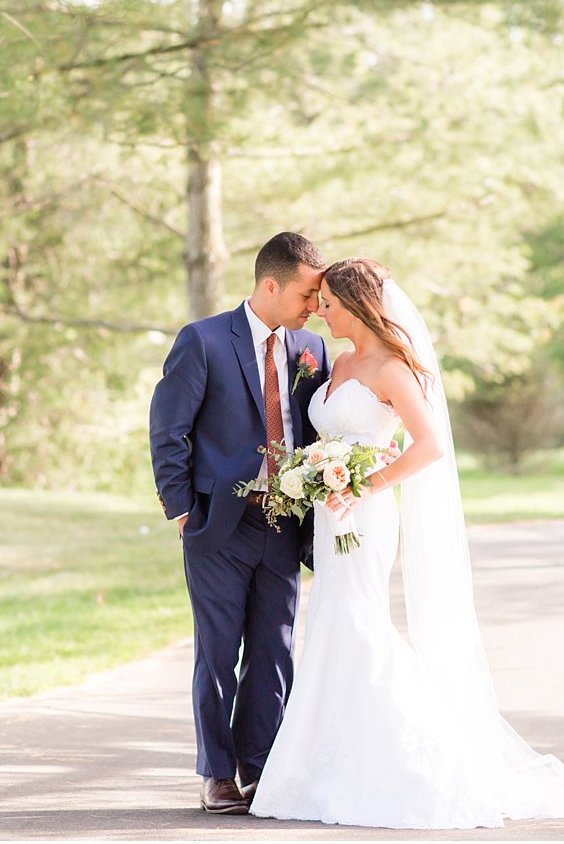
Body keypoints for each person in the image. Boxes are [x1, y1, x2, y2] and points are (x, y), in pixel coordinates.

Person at [249, 257, 564, 829]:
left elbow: (428, 446)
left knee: (357, 623)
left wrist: (361, 484)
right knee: (329, 623)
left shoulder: (393, 370)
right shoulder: (340, 362)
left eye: (327, 303)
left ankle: (419, 760)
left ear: (355, 306)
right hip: (330, 515)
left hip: (365, 516)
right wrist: (321, 475)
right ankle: (329, 765)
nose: (319, 311)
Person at [148, 232, 331, 815]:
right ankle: (217, 772)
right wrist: (181, 510)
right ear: (270, 285)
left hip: (284, 523)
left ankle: (262, 768)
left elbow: (313, 432)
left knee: (275, 651)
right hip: (217, 524)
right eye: (306, 294)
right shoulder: (202, 341)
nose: (314, 307)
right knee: (218, 650)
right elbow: (168, 429)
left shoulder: (312, 350)